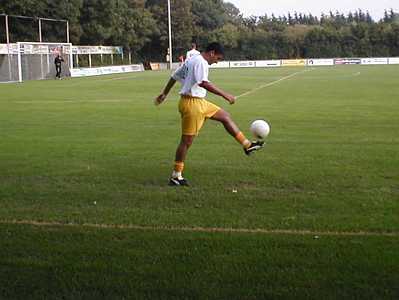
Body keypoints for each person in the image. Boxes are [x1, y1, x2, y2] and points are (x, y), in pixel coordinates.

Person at [155, 42, 264, 186]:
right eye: (217, 58)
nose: (216, 62)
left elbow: (174, 76)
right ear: (212, 53)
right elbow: (203, 83)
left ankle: (247, 145)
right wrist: (226, 95)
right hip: (192, 104)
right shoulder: (200, 62)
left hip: (199, 102)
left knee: (225, 116)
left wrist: (164, 93)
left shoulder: (191, 59)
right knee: (186, 142)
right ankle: (176, 175)